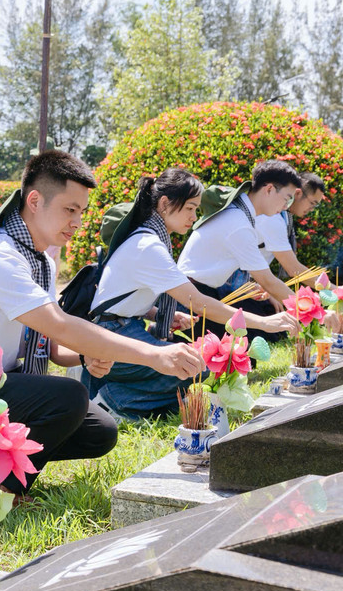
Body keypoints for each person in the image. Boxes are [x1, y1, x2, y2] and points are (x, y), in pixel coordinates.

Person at [0, 151, 204, 494]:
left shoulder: (41, 263)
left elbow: (54, 348)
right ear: (35, 201)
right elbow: (63, 325)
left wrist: (87, 357)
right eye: (70, 209)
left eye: (81, 211)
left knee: (100, 431)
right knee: (69, 395)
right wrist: (156, 355)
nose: (78, 222)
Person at [87, 168, 297, 419]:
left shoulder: (149, 236)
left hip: (120, 329)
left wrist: (157, 314)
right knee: (194, 368)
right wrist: (264, 322)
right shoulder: (148, 245)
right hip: (111, 336)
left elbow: (125, 300)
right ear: (165, 204)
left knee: (192, 373)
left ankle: (119, 392)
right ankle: (112, 400)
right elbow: (198, 302)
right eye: (190, 208)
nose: (194, 216)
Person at [176, 159, 305, 343]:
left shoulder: (240, 212)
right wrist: (313, 309)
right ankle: (167, 333)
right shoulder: (239, 223)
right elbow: (268, 281)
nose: (286, 206)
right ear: (268, 189)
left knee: (245, 344)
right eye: (286, 198)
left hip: (203, 293)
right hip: (188, 299)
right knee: (238, 350)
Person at [255, 171, 326, 280]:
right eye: (312, 203)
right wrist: (334, 289)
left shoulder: (284, 216)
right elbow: (293, 268)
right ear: (298, 193)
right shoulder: (273, 218)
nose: (312, 210)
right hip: (231, 282)